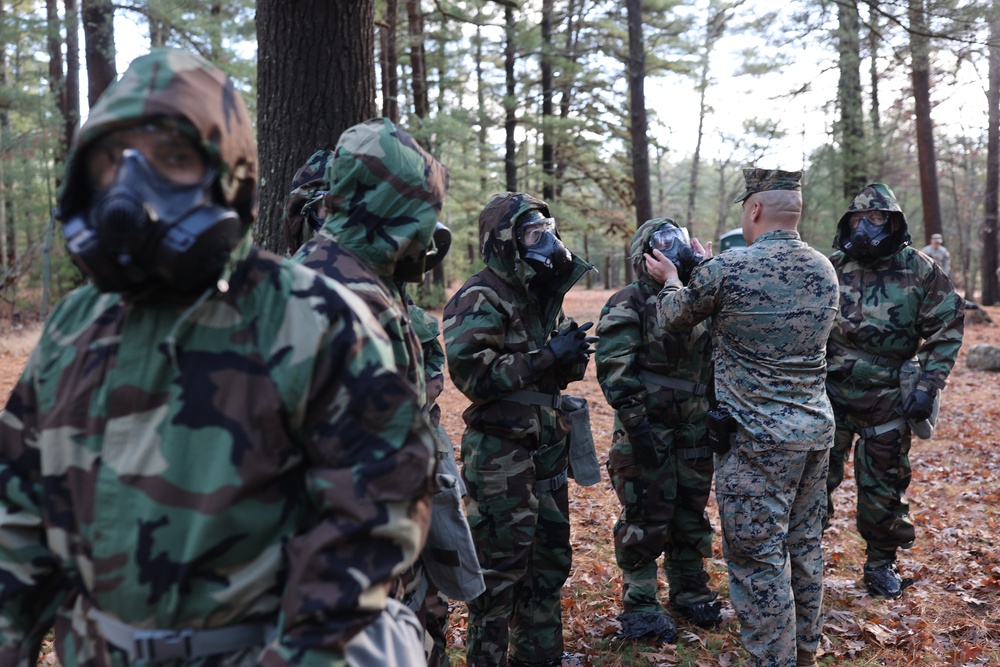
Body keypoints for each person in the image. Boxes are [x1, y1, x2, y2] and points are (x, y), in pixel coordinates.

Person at [0, 49, 438, 666]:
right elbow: (17, 518)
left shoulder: (310, 318)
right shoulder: (77, 326)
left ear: (227, 173)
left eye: (172, 157)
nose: (132, 185)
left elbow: (379, 512)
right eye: (111, 159)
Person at [291, 118, 483, 667]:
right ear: (391, 212)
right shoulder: (347, 298)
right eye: (422, 212)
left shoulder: (346, 275)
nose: (430, 233)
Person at [646, 169, 840, 667]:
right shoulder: (824, 268)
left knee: (757, 559)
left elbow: (672, 317)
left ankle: (770, 660)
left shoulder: (729, 269)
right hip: (815, 433)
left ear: (753, 209)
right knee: (804, 546)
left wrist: (672, 280)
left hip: (757, 443)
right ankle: (804, 651)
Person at [443, 192, 595, 667]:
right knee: (500, 568)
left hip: (548, 444)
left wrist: (565, 360)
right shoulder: (479, 295)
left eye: (548, 230)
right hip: (501, 455)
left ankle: (539, 656)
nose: (546, 242)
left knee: (549, 562)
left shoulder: (539, 296)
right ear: (505, 242)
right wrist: (545, 358)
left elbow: (539, 374)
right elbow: (475, 377)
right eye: (533, 234)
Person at [825, 183, 964, 599]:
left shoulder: (920, 270)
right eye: (859, 219)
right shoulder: (829, 266)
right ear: (847, 222)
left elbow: (947, 328)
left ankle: (881, 563)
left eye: (877, 219)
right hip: (827, 395)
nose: (867, 227)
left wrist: (928, 385)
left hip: (887, 398)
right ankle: (802, 559)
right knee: (812, 483)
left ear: (893, 221)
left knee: (883, 485)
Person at [595, 218, 720, 644]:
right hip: (646, 430)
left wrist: (716, 411)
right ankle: (641, 602)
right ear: (644, 254)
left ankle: (689, 588)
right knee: (645, 516)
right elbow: (614, 368)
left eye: (678, 243)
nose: (673, 250)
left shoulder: (696, 301)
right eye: (663, 245)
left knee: (690, 513)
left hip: (695, 430)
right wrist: (636, 424)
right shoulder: (627, 301)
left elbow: (718, 358)